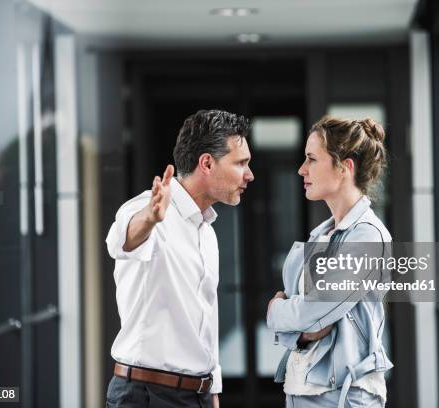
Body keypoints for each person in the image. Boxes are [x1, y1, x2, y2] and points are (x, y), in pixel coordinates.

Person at [105, 109, 254, 408]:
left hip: (194, 395)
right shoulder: (148, 208)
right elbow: (121, 240)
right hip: (146, 396)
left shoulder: (207, 232)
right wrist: (150, 217)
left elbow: (205, 317)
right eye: (241, 163)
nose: (249, 175)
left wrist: (213, 389)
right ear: (207, 163)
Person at [266, 115, 393, 408]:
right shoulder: (323, 234)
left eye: (312, 159)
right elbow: (306, 325)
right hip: (305, 389)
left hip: (343, 398)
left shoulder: (368, 237)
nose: (301, 170)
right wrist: (299, 331)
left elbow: (310, 311)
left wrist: (275, 311)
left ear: (344, 167)